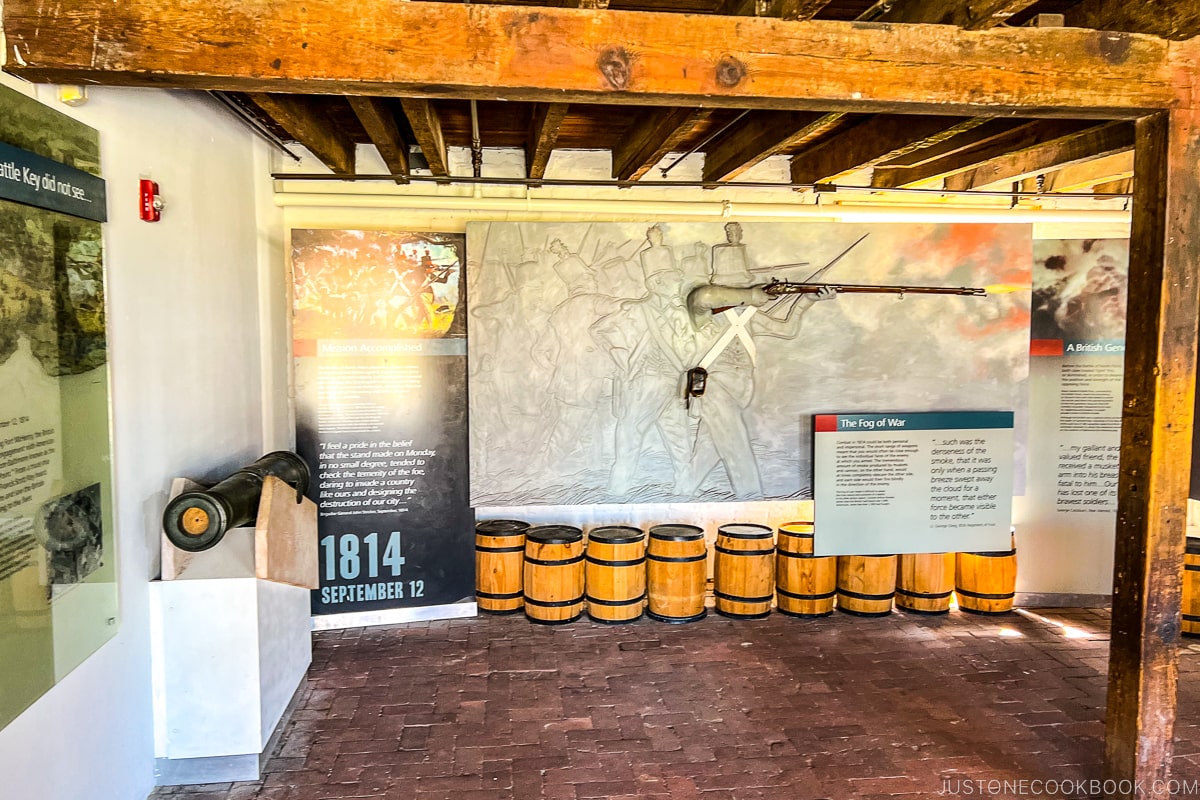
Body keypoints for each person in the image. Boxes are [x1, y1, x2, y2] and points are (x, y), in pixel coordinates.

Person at [677, 229, 837, 497]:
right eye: (734, 285)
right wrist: (751, 295)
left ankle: (681, 491)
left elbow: (786, 330)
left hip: (741, 390)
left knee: (711, 448)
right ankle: (752, 500)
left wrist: (806, 300)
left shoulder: (748, 313)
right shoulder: (704, 312)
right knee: (737, 446)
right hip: (714, 387)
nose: (738, 290)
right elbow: (703, 296)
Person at [591, 225, 695, 495]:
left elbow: (690, 347)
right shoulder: (636, 310)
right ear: (656, 282)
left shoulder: (681, 313)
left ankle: (685, 490)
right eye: (672, 278)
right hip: (644, 383)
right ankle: (618, 490)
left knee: (680, 440)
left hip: (675, 384)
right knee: (629, 437)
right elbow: (599, 330)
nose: (677, 283)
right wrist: (621, 360)